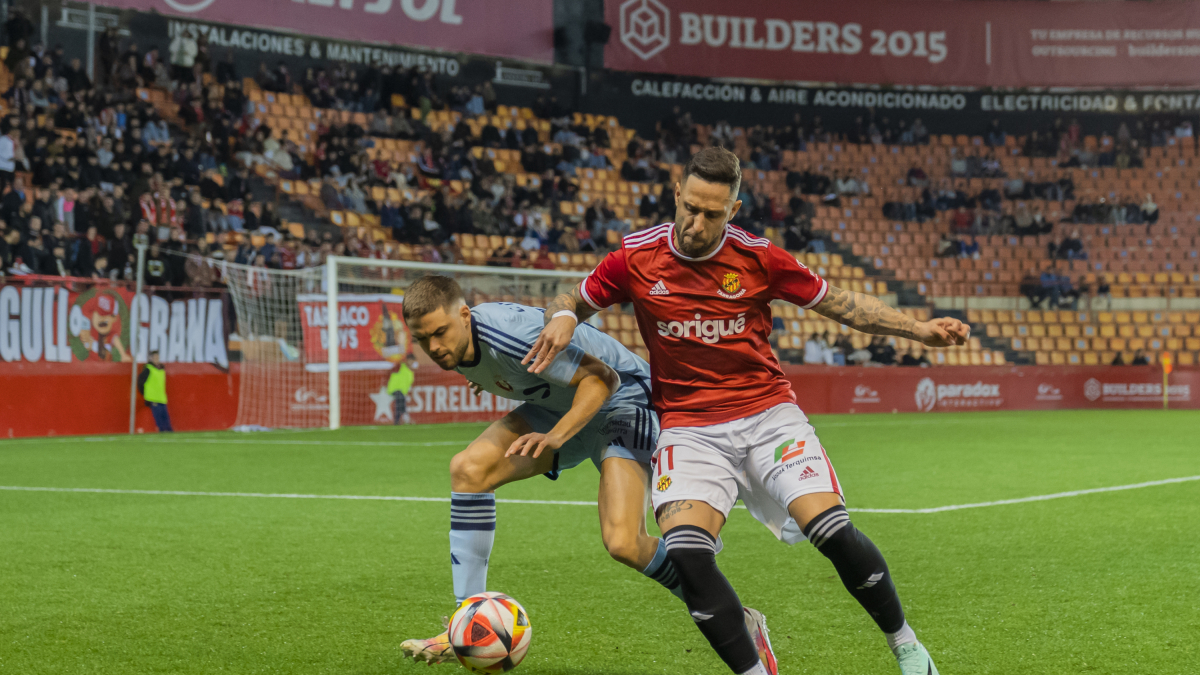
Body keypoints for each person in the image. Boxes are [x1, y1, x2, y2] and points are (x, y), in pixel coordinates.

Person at [526, 147, 968, 675]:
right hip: (690, 429)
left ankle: (906, 645)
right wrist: (561, 316)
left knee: (831, 530)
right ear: (677, 196)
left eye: (712, 213)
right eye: (690, 207)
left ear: (732, 211)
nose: (696, 221)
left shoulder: (759, 258)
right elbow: (574, 296)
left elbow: (841, 303)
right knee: (688, 554)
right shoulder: (635, 257)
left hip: (767, 416)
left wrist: (918, 329)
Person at [397, 275, 758, 663]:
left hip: (624, 401)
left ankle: (736, 617)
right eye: (422, 339)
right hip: (561, 409)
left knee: (624, 542)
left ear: (465, 315)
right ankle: (467, 623)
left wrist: (555, 436)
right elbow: (510, 369)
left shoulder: (510, 336)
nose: (433, 347)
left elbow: (604, 378)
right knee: (468, 470)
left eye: (440, 333)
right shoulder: (465, 344)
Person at [137, 350, 173, 432]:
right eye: (154, 357)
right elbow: (140, 382)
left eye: (157, 357)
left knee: (166, 418)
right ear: (151, 358)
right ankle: (161, 432)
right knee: (159, 419)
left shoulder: (161, 369)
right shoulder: (148, 369)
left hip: (161, 397)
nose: (156, 359)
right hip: (153, 398)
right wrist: (145, 394)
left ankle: (169, 432)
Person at [387, 354, 418, 425]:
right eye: (410, 360)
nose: (411, 362)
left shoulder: (411, 373)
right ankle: (406, 416)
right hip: (393, 388)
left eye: (412, 361)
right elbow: (396, 364)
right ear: (407, 360)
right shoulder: (401, 366)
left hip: (402, 392)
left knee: (399, 402)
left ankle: (397, 421)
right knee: (401, 398)